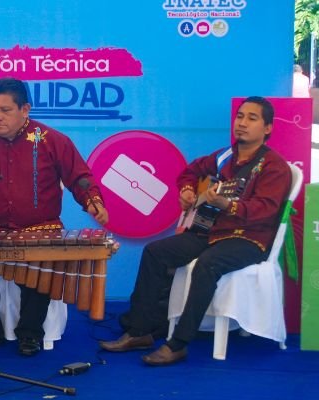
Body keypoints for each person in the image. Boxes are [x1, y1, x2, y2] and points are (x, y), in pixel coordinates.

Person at [99, 96, 292, 366]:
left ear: (267, 128)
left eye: (252, 118)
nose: (242, 123)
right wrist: (188, 190)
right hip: (210, 233)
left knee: (207, 265)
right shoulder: (224, 157)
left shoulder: (274, 167)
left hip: (248, 240)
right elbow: (190, 172)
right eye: (240, 116)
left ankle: (177, 344)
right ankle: (139, 332)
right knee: (155, 252)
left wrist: (228, 204)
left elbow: (265, 209)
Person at [0, 77, 109, 357]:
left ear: (25, 109)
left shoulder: (52, 140)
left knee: (43, 257)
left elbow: (80, 178)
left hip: (39, 228)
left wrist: (92, 201)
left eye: (5, 110)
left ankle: (30, 333)